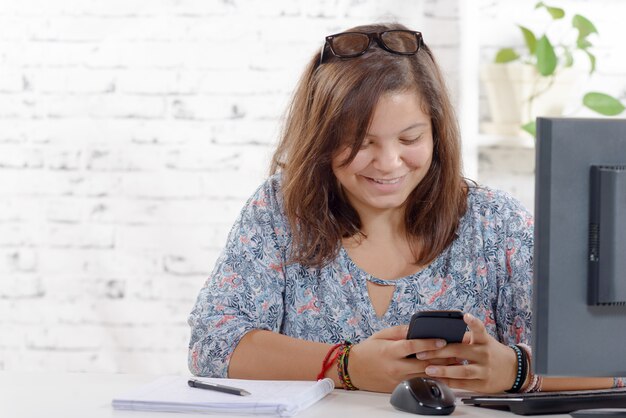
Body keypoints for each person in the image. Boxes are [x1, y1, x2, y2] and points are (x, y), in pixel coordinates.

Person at [188, 23, 623, 394]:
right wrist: (347, 366)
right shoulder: (280, 211)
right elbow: (213, 345)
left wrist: (516, 370)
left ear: (437, 134)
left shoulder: (494, 223)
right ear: (321, 137)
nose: (389, 163)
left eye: (411, 139)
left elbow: (612, 358)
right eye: (362, 143)